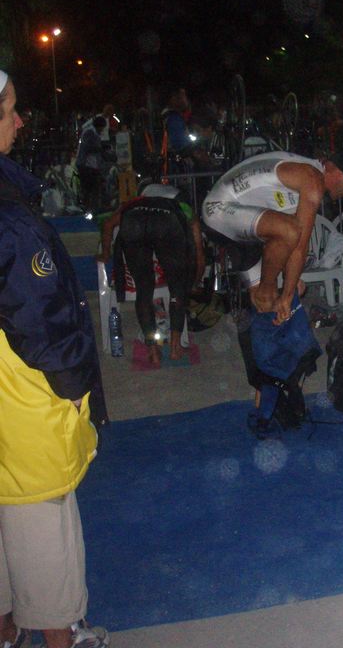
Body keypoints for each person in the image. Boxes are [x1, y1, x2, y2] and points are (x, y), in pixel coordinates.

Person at [0, 70, 109, 648]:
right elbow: (39, 316)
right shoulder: (11, 220)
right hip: (21, 399)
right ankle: (61, 635)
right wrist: (74, 380)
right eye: (10, 111)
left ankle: (6, 626)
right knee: (43, 521)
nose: (20, 122)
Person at [202, 146, 343, 324]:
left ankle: (262, 321)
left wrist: (292, 282)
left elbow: (289, 245)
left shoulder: (305, 173)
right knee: (290, 233)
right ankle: (266, 290)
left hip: (243, 227)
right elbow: (298, 244)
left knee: (267, 305)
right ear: (335, 169)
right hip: (218, 211)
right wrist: (287, 295)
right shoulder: (311, 178)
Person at [99, 183, 205, 366]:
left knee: (143, 289)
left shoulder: (134, 203)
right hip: (167, 223)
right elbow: (199, 254)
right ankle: (175, 347)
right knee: (177, 287)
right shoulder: (183, 207)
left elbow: (108, 224)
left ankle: (153, 351)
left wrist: (106, 254)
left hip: (134, 221)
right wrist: (194, 282)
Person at [75, 115, 106, 212]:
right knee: (89, 189)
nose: (102, 130)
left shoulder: (92, 132)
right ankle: (89, 209)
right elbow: (89, 148)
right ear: (99, 126)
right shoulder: (90, 133)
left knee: (90, 189)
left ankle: (90, 208)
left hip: (90, 165)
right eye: (102, 128)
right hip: (86, 165)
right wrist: (102, 148)